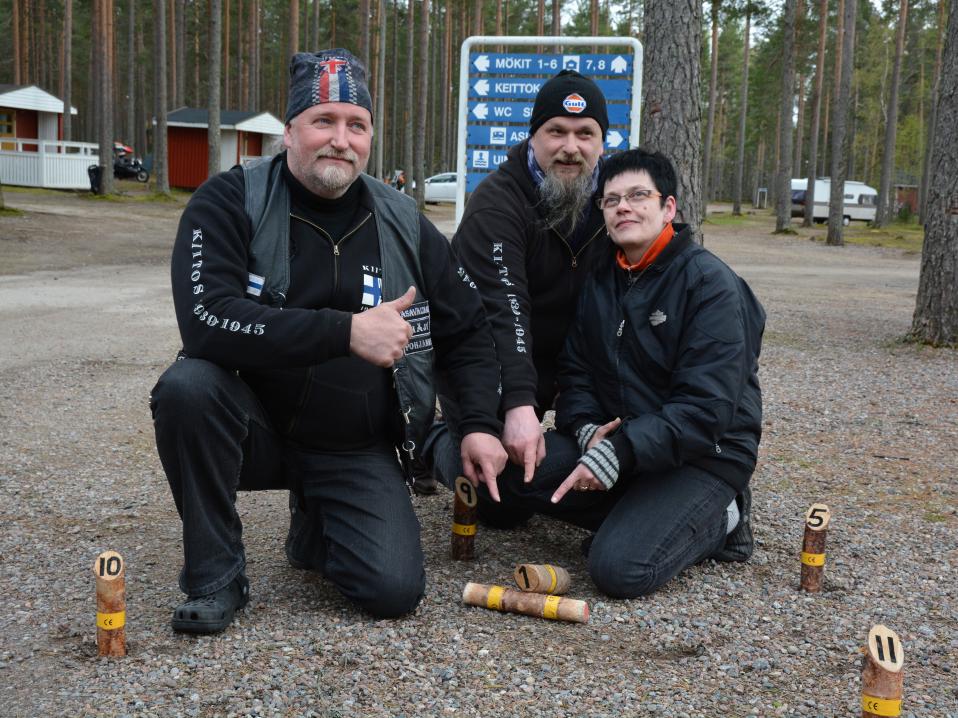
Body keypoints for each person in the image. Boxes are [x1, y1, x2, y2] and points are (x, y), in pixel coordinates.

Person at [150, 49, 506, 634]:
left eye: (356, 125)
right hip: (254, 427)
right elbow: (206, 320)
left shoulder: (404, 221)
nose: (340, 139)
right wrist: (345, 331)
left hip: (352, 445)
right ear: (289, 131)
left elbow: (467, 329)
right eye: (323, 121)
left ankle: (315, 520)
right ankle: (214, 576)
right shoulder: (228, 201)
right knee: (187, 388)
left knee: (392, 591)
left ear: (369, 138)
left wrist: (480, 425)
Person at [484, 148, 766, 597]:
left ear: (668, 207)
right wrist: (588, 431)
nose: (624, 208)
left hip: (703, 455)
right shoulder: (600, 279)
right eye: (612, 200)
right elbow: (574, 373)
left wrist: (621, 451)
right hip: (624, 444)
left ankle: (724, 518)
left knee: (619, 569)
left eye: (638, 196)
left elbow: (706, 410)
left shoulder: (710, 285)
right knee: (500, 479)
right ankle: (648, 514)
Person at [423, 69, 611, 498]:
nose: (570, 147)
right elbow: (501, 311)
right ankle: (437, 442)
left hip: (576, 363)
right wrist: (520, 405)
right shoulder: (497, 201)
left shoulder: (618, 199)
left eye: (585, 133)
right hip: (488, 357)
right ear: (533, 137)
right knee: (500, 493)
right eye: (555, 131)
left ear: (603, 142)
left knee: (621, 450)